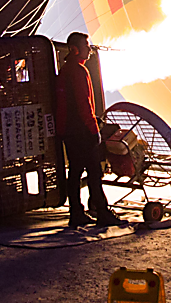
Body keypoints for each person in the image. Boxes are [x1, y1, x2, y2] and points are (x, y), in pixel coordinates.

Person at [55, 31, 122, 228]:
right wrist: (94, 130)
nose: (90, 50)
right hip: (82, 130)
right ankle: (101, 212)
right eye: (86, 46)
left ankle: (76, 212)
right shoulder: (78, 71)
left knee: (75, 171)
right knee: (94, 171)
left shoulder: (65, 70)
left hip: (68, 130)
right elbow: (84, 104)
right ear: (75, 49)